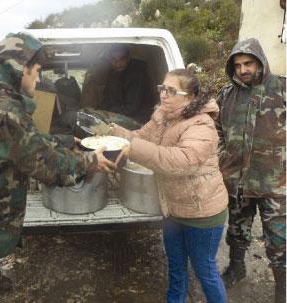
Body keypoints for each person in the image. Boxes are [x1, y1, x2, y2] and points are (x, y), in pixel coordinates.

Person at [0, 32, 116, 303]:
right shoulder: (4, 111)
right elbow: (46, 165)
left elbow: (23, 143)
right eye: (37, 71)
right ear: (20, 69)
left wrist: (67, 140)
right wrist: (91, 161)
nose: (39, 79)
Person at [111, 69, 228, 303]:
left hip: (202, 213)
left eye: (171, 91)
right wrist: (116, 134)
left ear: (190, 97)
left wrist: (132, 147)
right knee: (175, 267)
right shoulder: (162, 117)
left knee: (205, 271)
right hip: (172, 209)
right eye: (162, 88)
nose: (163, 95)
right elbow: (141, 137)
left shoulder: (201, 125)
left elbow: (181, 161)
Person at [215, 38, 286, 302]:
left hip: (274, 182)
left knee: (279, 240)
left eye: (248, 63)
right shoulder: (226, 95)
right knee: (236, 230)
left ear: (260, 62)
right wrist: (223, 156)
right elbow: (217, 130)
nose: (243, 69)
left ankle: (282, 288)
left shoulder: (281, 87)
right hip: (237, 180)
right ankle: (237, 268)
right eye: (238, 65)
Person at [80, 43, 155, 126]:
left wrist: (106, 112)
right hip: (120, 114)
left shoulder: (137, 76)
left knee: (93, 121)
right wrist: (99, 110)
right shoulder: (114, 73)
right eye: (114, 59)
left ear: (128, 58)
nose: (117, 63)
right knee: (85, 114)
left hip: (136, 119)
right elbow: (108, 98)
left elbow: (131, 108)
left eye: (121, 59)